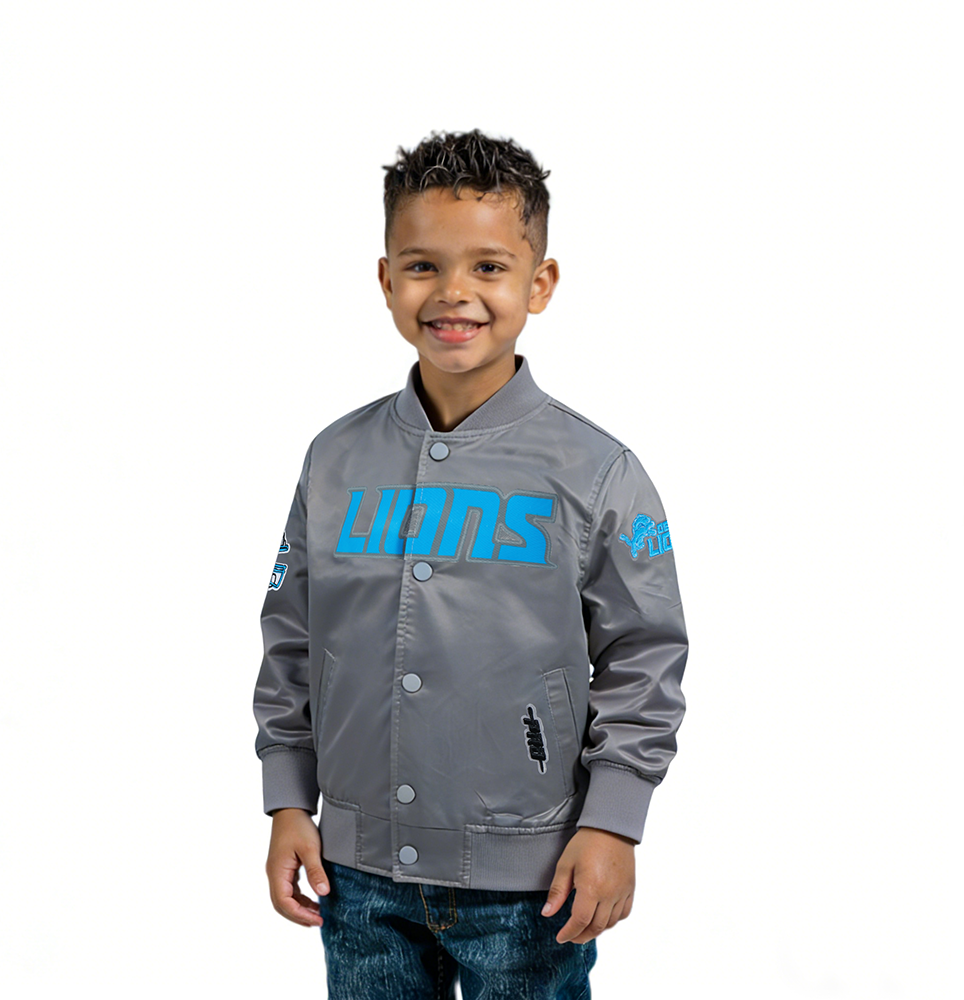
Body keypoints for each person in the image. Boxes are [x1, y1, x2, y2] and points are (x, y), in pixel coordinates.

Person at [252, 128, 688, 999]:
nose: (454, 293)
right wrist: (288, 799)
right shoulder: (335, 459)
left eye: (489, 266)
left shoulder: (597, 471)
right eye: (423, 266)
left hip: (531, 882)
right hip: (357, 874)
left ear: (540, 282)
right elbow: (291, 639)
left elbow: (644, 656)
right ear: (386, 280)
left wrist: (614, 822)